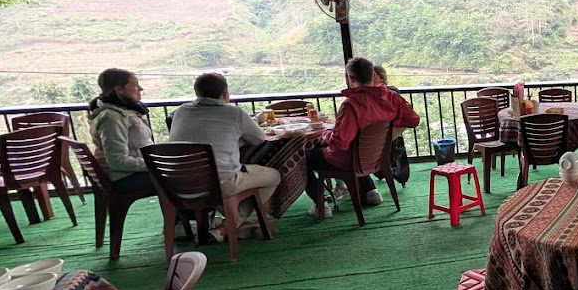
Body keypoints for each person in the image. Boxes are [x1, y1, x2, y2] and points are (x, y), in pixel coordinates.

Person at [307, 57, 420, 220]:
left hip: (350, 161)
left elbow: (341, 143)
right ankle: (370, 191)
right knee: (353, 151)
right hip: (378, 157)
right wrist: (387, 135)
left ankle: (321, 206)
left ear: (351, 79)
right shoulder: (392, 98)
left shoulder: (351, 105)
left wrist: (325, 135)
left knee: (306, 157)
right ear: (373, 75)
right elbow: (413, 120)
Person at [169, 72, 282, 234]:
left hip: (178, 186)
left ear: (197, 92)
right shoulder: (234, 113)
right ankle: (229, 225)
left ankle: (228, 223)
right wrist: (238, 139)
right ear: (225, 94)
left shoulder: (180, 111)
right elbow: (259, 138)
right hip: (217, 185)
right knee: (274, 176)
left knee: (225, 176)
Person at [88, 68, 155, 196]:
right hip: (124, 177)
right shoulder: (112, 118)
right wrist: (153, 164)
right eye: (134, 85)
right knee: (182, 177)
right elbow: (117, 161)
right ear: (119, 89)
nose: (140, 89)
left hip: (133, 172)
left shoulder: (123, 111)